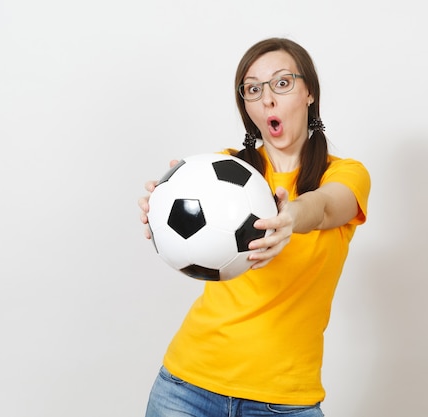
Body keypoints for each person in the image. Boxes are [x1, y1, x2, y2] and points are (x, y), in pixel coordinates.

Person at [138, 37, 370, 417]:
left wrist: (290, 216)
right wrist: (161, 205)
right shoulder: (223, 169)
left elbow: (327, 207)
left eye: (282, 83)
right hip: (186, 387)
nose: (268, 100)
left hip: (284, 402)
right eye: (253, 89)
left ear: (309, 92)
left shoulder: (344, 174)